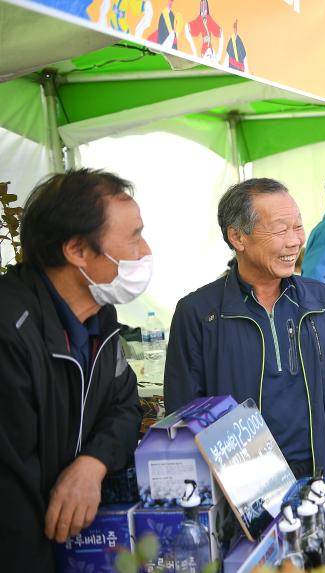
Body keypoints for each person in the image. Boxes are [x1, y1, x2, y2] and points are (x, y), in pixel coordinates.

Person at [164, 178, 325, 500]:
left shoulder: (324, 303)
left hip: (324, 484)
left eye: (298, 227)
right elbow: (184, 417)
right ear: (237, 237)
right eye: (281, 230)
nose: (295, 241)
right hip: (242, 497)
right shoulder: (199, 314)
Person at [0, 169, 146, 571]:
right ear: (78, 250)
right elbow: (11, 499)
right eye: (133, 237)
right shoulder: (9, 331)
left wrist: (92, 463)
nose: (145, 250)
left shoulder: (100, 315)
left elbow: (124, 406)